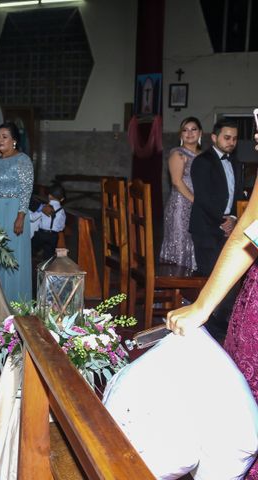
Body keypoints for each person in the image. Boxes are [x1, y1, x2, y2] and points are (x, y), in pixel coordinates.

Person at [167, 135, 258, 480]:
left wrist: (203, 307)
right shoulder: (203, 161)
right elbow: (248, 233)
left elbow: (246, 232)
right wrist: (202, 306)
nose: (253, 138)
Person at [189, 119, 243, 341]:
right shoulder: (203, 162)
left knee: (231, 277)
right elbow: (203, 198)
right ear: (214, 137)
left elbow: (238, 195)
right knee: (213, 278)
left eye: (234, 138)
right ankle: (210, 331)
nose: (231, 142)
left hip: (229, 227)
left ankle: (223, 329)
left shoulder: (236, 163)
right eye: (226, 137)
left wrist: (234, 218)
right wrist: (224, 220)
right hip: (207, 229)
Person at [0, 122, 34, 303]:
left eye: (4, 136)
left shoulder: (22, 160)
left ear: (14, 141)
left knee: (10, 256)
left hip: (12, 212)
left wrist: (20, 216)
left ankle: (13, 303)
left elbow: (26, 189)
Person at [159, 117, 202, 271]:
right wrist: (197, 202)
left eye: (193, 129)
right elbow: (177, 182)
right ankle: (174, 288)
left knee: (194, 244)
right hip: (180, 206)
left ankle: (189, 289)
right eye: (185, 130)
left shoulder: (204, 156)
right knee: (180, 243)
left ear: (200, 133)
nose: (189, 133)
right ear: (180, 135)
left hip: (197, 207)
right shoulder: (177, 154)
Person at [30, 182, 66, 262]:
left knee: (30, 248)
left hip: (41, 234)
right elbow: (62, 226)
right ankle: (46, 270)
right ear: (62, 199)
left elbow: (32, 218)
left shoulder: (45, 208)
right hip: (53, 236)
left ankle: (31, 261)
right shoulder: (62, 211)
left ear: (49, 196)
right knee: (48, 257)